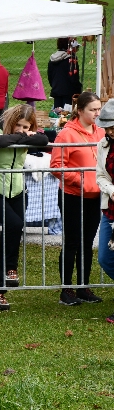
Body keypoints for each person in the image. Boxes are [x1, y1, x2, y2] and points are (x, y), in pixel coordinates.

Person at [0, 105, 48, 310]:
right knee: (15, 224)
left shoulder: (30, 134)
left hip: (18, 192)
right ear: (11, 121)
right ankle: (11, 268)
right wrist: (23, 137)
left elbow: (44, 140)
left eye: (25, 126)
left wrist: (27, 136)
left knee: (11, 234)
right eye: (17, 125)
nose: (21, 129)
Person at [50, 91, 104, 306]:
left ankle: (83, 287)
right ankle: (67, 289)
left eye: (99, 109)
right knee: (72, 241)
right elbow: (56, 166)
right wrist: (78, 179)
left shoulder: (101, 133)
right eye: (93, 110)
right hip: (73, 195)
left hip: (95, 196)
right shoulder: (66, 134)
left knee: (87, 242)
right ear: (80, 111)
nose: (97, 113)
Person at [94, 100, 114, 322]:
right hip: (110, 209)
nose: (109, 131)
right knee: (105, 258)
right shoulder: (103, 145)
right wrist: (111, 189)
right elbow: (100, 175)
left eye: (112, 126)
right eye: (107, 126)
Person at [48, 37, 82, 110]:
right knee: (68, 114)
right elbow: (74, 78)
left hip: (56, 90)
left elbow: (50, 76)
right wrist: (79, 89)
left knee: (57, 113)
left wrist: (54, 86)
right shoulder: (71, 59)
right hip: (69, 93)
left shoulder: (53, 58)